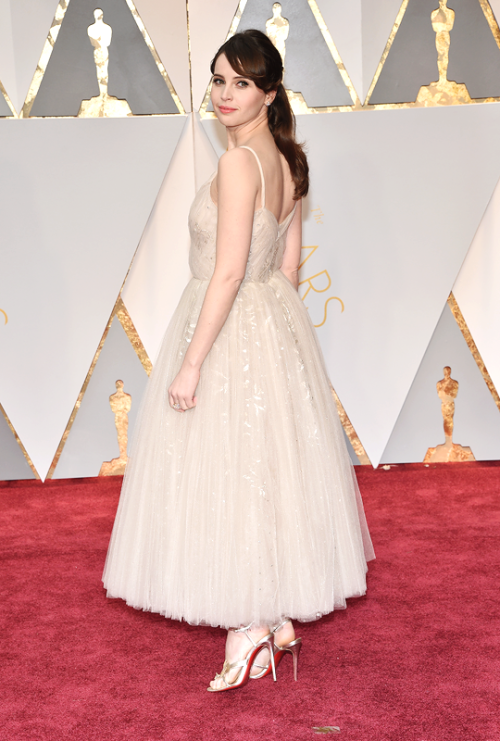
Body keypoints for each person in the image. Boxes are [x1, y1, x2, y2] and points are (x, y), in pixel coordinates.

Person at [102, 29, 374, 693]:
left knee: (228, 474)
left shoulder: (235, 165)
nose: (225, 94)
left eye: (240, 83)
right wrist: (273, 328)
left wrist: (192, 361)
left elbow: (225, 273)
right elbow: (286, 264)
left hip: (225, 326)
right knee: (267, 472)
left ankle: (248, 630)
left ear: (269, 93)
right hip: (271, 321)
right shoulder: (287, 159)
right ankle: (273, 614)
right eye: (219, 80)